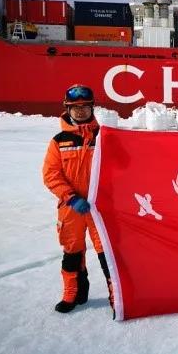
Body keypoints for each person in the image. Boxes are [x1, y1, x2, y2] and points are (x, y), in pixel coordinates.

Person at [42, 84, 113, 313]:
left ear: (92, 108)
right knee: (72, 252)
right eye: (76, 107)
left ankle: (117, 296)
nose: (81, 111)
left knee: (107, 252)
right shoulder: (58, 141)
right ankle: (73, 294)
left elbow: (120, 168)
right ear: (67, 109)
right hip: (71, 207)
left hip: (100, 207)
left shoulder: (105, 137)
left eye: (85, 107)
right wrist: (71, 198)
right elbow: (51, 175)